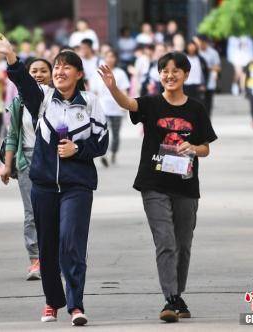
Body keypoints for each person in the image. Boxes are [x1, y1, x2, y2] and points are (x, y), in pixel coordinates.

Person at [0, 33, 108, 326]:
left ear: (78, 74)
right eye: (56, 68)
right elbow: (24, 84)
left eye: (67, 67)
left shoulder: (90, 103)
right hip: (43, 186)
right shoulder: (43, 99)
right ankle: (52, 302)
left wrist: (78, 149)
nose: (60, 72)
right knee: (48, 246)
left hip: (77, 186)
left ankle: (76, 305)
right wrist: (11, 57)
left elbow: (101, 143)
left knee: (71, 243)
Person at [98, 52, 217, 323]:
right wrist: (113, 87)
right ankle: (171, 298)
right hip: (154, 183)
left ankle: (177, 293)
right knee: (165, 241)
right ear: (158, 74)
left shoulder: (196, 108)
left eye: (176, 71)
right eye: (164, 70)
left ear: (186, 75)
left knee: (183, 244)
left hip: (186, 185)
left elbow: (206, 148)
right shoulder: (151, 104)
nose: (170, 75)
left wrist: (193, 148)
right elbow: (128, 103)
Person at [1, 58, 53, 281]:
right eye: (34, 71)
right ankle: (35, 259)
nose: (39, 74)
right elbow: (13, 135)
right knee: (32, 212)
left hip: (51, 160)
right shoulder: (18, 103)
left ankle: (53, 257)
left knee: (53, 210)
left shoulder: (56, 99)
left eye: (43, 71)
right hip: (26, 160)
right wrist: (7, 165)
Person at [90, 50, 130, 166]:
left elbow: (124, 90)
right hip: (103, 108)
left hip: (117, 108)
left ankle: (113, 152)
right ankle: (104, 154)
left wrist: (125, 105)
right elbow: (94, 92)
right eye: (107, 56)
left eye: (112, 56)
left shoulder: (120, 73)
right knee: (103, 131)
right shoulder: (97, 73)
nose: (110, 59)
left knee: (116, 134)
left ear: (116, 59)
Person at [194, 34, 221, 117]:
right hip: (198, 81)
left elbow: (218, 67)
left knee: (208, 104)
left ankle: (207, 122)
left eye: (203, 43)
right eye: (200, 43)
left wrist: (207, 68)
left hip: (209, 82)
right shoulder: (196, 52)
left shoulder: (213, 53)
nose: (201, 45)